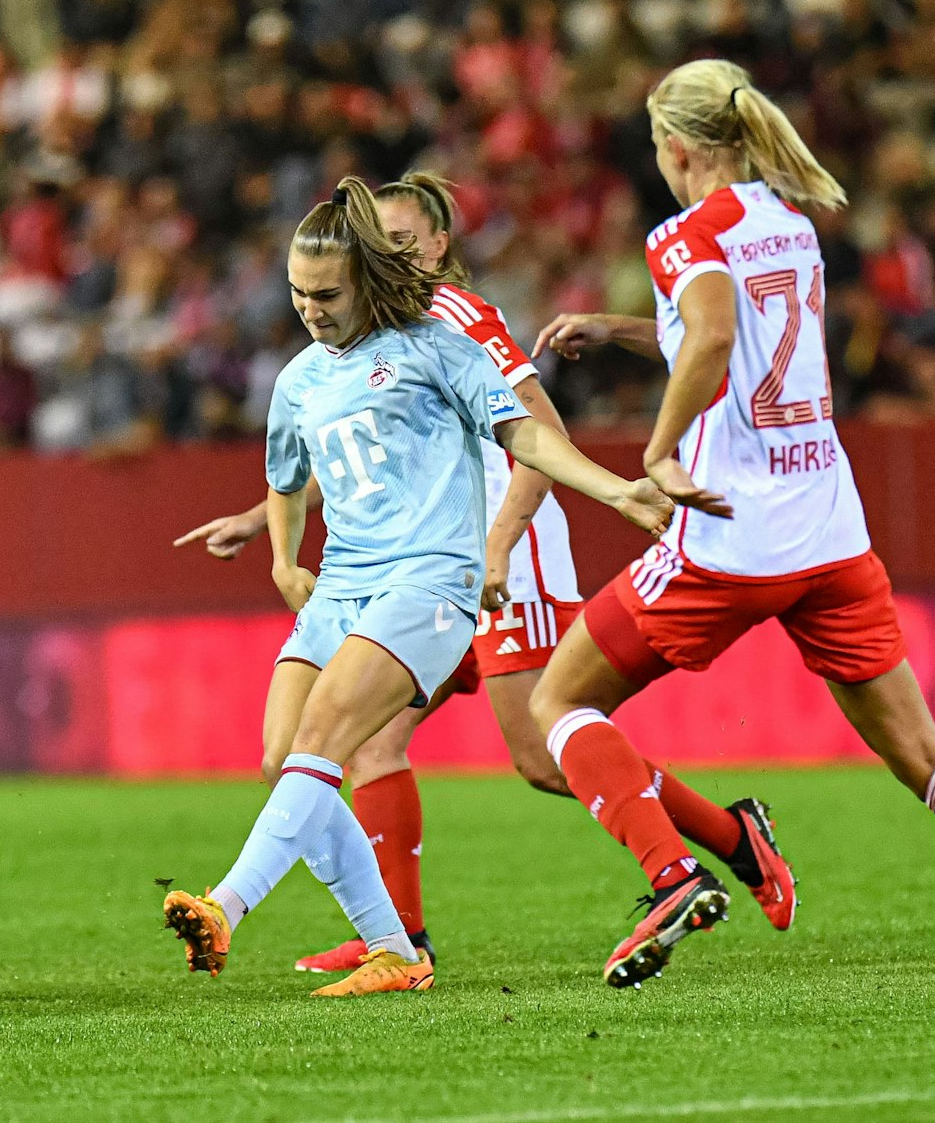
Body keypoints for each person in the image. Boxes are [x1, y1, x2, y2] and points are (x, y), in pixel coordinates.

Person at [528, 59, 935, 1013]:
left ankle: (676, 871)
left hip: (729, 538)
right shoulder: (788, 222)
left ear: (677, 147)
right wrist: (622, 329)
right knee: (924, 751)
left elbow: (715, 339)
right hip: (831, 534)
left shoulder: (684, 232)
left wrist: (661, 450)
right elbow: (735, 333)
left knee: (559, 706)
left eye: (656, 147)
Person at [175, 172, 798, 974]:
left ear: (437, 246)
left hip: (493, 547)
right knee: (365, 746)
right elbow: (357, 446)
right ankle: (396, 938)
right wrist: (270, 527)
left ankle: (693, 858)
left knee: (542, 751)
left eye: (404, 243)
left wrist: (503, 542)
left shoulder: (453, 316)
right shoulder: (324, 362)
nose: (395, 256)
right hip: (405, 561)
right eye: (381, 243)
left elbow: (533, 429)